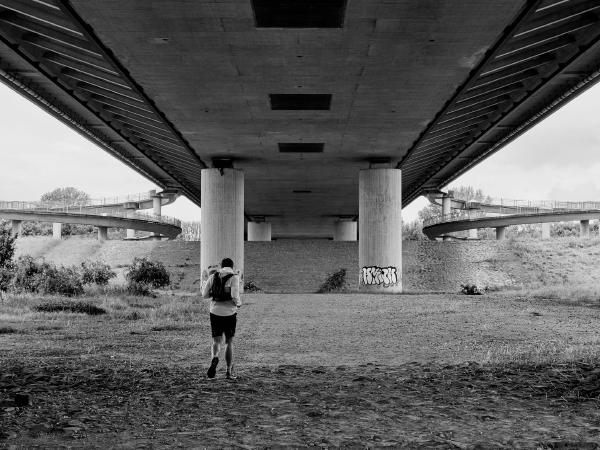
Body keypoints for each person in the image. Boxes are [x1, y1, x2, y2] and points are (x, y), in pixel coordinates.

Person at [201, 257, 241, 379]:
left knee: (216, 341)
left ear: (221, 266)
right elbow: (234, 295)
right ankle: (229, 371)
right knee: (229, 342)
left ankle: (215, 358)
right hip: (229, 313)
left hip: (215, 312)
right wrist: (238, 303)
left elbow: (204, 295)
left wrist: (216, 294)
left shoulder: (213, 276)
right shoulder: (234, 277)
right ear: (232, 266)